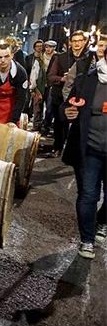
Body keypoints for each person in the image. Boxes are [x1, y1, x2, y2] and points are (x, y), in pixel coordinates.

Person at [61, 45, 107, 259]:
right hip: (89, 147)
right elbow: (67, 105)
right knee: (89, 194)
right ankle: (87, 239)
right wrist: (67, 112)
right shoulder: (88, 79)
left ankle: (102, 222)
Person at [47, 30, 89, 157]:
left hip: (81, 98)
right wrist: (62, 79)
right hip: (60, 97)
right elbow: (50, 76)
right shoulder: (61, 57)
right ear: (70, 43)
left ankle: (75, 151)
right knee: (60, 124)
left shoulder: (89, 59)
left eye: (79, 41)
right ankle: (58, 147)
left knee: (79, 126)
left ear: (84, 42)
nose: (76, 44)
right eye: (74, 41)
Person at [0, 44, 28, 126]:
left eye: (6, 56)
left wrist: (13, 121)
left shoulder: (20, 72)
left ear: (12, 55)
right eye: (0, 57)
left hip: (11, 111)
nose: (3, 60)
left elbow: (21, 98)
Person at [28, 40, 48, 131]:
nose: (39, 48)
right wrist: (32, 88)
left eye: (41, 46)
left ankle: (42, 124)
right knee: (37, 106)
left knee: (44, 107)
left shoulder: (46, 58)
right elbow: (32, 74)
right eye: (37, 46)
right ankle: (36, 125)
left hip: (47, 86)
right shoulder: (33, 59)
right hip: (37, 86)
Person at [41, 40, 58, 135]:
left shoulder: (57, 57)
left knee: (50, 106)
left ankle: (47, 125)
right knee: (39, 104)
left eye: (50, 47)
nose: (48, 49)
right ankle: (42, 124)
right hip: (43, 83)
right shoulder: (41, 57)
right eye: (47, 47)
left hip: (52, 85)